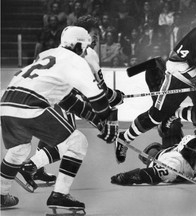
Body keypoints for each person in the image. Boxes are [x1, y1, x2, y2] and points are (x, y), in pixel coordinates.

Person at [0, 26, 117, 212]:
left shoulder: (48, 54)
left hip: (7, 104)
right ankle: (59, 195)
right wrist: (107, 121)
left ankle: (1, 194)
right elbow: (98, 99)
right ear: (78, 46)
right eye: (85, 47)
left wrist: (96, 119)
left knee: (19, 150)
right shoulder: (76, 61)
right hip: (30, 106)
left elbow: (66, 99)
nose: (86, 50)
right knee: (78, 143)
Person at [115, 11, 196, 164]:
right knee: (156, 115)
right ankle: (124, 138)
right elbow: (173, 61)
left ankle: (174, 114)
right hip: (180, 76)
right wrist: (195, 75)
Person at [17, 15, 125, 192]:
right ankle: (31, 166)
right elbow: (101, 90)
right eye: (93, 33)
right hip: (60, 96)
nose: (97, 37)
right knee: (70, 140)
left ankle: (36, 169)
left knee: (55, 134)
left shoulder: (63, 49)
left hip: (44, 95)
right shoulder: (89, 55)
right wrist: (116, 97)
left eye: (98, 33)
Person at [111, 134, 196, 185]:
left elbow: (149, 175)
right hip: (175, 162)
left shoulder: (174, 163)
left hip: (167, 162)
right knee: (171, 127)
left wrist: (124, 177)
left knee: (168, 128)